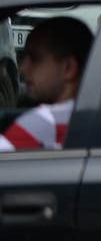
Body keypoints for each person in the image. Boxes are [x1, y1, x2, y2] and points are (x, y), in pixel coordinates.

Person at [0, 16, 94, 152]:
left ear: (68, 68)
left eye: (35, 59)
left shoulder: (45, 122)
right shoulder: (96, 119)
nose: (22, 69)